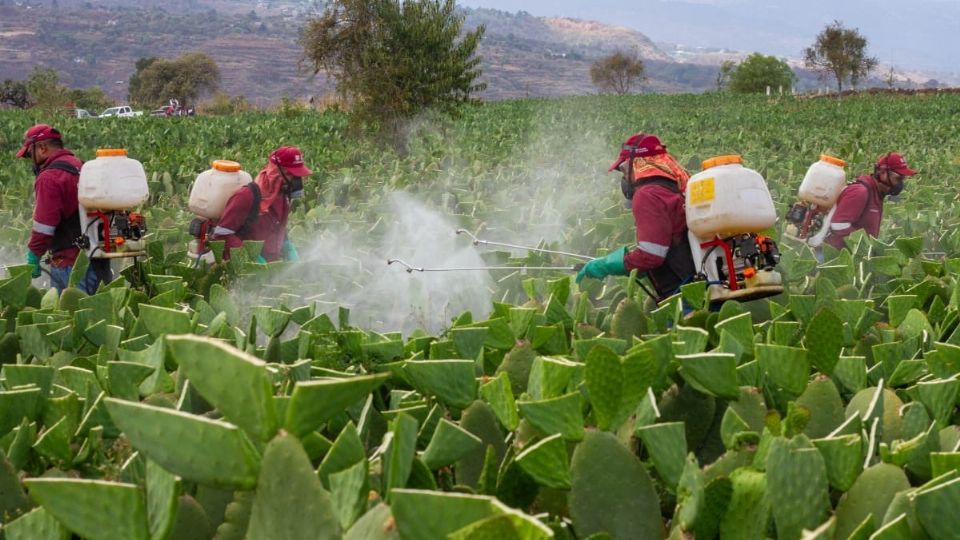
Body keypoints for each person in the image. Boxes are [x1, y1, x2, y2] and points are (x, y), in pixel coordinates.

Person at [575, 133, 696, 302]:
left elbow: (651, 255)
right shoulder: (675, 185)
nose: (624, 177)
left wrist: (607, 265)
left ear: (638, 163)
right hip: (699, 281)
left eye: (624, 169)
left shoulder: (648, 195)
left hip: (682, 289)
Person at [17, 123, 111, 293]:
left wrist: (34, 256)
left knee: (70, 316)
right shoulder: (81, 166)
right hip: (97, 258)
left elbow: (43, 227)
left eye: (30, 154)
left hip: (70, 264)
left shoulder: (49, 177)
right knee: (98, 314)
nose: (31, 160)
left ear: (42, 148)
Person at [212, 146, 311, 262]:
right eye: (291, 175)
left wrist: (286, 245)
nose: (296, 181)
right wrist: (249, 256)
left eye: (298, 176)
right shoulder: (246, 196)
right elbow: (222, 234)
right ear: (276, 172)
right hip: (243, 269)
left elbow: (276, 226)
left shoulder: (283, 197)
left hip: (270, 267)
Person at [824, 152, 916, 250]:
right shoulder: (860, 191)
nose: (900, 184)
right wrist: (865, 245)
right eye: (898, 178)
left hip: (854, 254)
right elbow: (838, 224)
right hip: (833, 256)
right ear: (882, 173)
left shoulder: (877, 193)